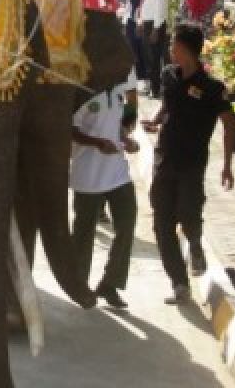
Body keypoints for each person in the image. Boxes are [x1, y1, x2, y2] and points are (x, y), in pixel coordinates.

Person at [142, 24, 235, 305]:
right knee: (162, 221)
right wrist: (156, 121)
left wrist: (228, 165)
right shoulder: (169, 75)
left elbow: (229, 125)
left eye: (174, 45)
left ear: (186, 49)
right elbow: (168, 105)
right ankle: (179, 282)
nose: (170, 50)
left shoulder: (212, 89)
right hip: (165, 158)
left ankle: (195, 245)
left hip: (192, 163)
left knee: (188, 212)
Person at [70, 78, 140, 308]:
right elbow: (71, 129)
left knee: (127, 223)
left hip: (117, 173)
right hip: (88, 176)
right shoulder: (83, 90)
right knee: (83, 234)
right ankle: (79, 285)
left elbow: (115, 123)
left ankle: (110, 284)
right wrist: (96, 143)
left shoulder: (118, 90)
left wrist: (124, 139)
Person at [136, 0, 170, 98]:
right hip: (147, 23)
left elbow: (159, 8)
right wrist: (141, 21)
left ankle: (157, 89)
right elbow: (146, 5)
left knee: (155, 58)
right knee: (149, 57)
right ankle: (152, 86)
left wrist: (156, 29)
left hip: (155, 24)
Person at [125, 0, 148, 88]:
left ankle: (139, 72)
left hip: (134, 17)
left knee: (136, 47)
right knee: (141, 47)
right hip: (140, 17)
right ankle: (143, 73)